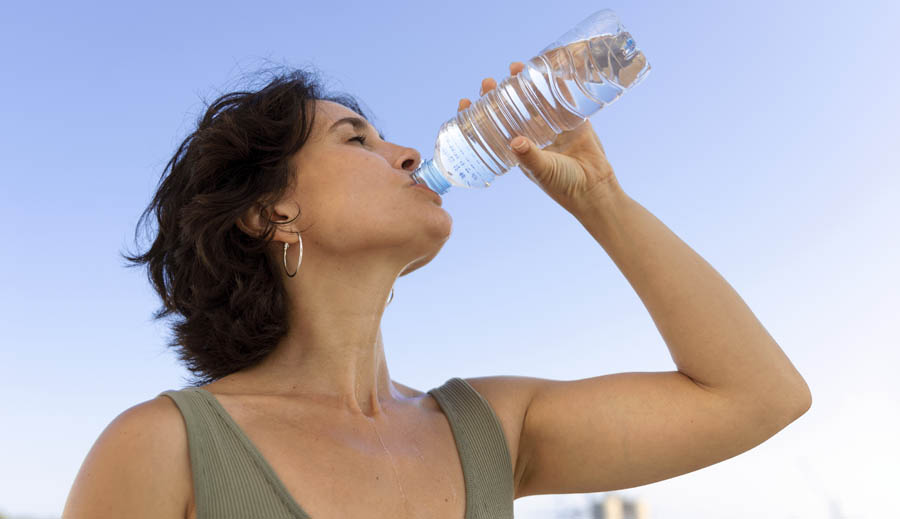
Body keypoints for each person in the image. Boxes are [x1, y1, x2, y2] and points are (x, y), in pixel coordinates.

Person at [62, 63, 811, 519]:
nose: (409, 154)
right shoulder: (163, 447)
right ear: (270, 212)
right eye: (357, 139)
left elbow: (759, 396)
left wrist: (601, 198)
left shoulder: (491, 429)